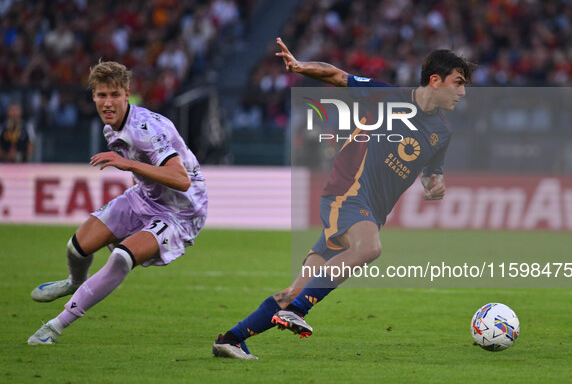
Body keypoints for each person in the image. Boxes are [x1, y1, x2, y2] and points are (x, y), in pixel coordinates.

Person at [212, 38, 476, 359]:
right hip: (347, 191)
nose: (463, 92)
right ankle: (299, 311)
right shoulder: (388, 97)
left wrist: (434, 185)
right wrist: (299, 67)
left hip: (370, 211)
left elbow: (432, 172)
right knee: (369, 248)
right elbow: (337, 76)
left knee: (297, 288)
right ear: (435, 80)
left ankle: (231, 339)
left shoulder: (442, 132)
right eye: (458, 83)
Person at [28, 61, 208, 345]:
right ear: (93, 97)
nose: (107, 103)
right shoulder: (111, 129)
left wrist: (127, 164)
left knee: (122, 257)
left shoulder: (148, 128)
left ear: (127, 94)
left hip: (181, 211)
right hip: (146, 196)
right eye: (101, 95)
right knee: (76, 248)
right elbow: (142, 170)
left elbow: (180, 178)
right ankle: (75, 283)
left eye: (114, 95)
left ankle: (54, 327)